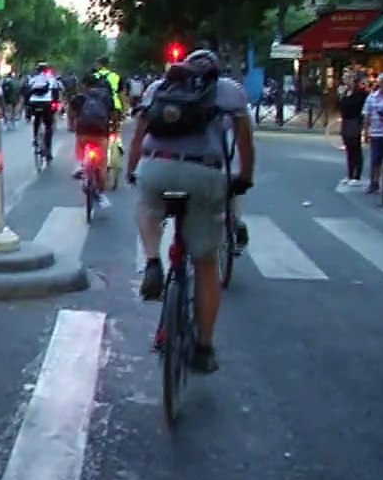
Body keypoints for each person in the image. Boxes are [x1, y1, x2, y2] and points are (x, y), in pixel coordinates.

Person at [126, 49, 254, 374]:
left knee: (146, 206)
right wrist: (244, 178)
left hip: (157, 166)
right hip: (204, 173)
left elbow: (140, 135)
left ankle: (153, 260)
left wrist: (132, 171)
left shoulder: (159, 87)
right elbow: (244, 143)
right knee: (207, 263)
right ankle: (204, 348)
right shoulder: (229, 91)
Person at [69, 73, 114, 208]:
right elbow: (113, 114)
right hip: (101, 133)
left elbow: (72, 113)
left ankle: (80, 164)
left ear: (83, 85)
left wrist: (72, 125)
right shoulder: (106, 97)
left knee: (80, 144)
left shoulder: (80, 97)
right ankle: (100, 192)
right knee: (102, 163)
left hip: (83, 132)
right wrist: (112, 126)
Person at [25, 62, 62, 162]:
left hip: (34, 103)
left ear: (37, 70)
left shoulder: (33, 79)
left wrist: (28, 108)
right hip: (47, 103)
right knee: (48, 125)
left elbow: (27, 92)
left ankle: (35, 139)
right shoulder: (51, 78)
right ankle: (48, 150)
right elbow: (56, 92)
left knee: (36, 119)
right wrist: (56, 104)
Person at [337, 72, 369, 186]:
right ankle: (349, 174)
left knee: (355, 147)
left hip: (355, 120)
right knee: (348, 149)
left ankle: (357, 176)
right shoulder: (345, 92)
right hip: (346, 121)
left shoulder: (360, 92)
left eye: (348, 78)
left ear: (353, 79)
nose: (346, 81)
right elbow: (341, 106)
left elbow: (358, 106)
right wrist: (341, 96)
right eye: (344, 78)